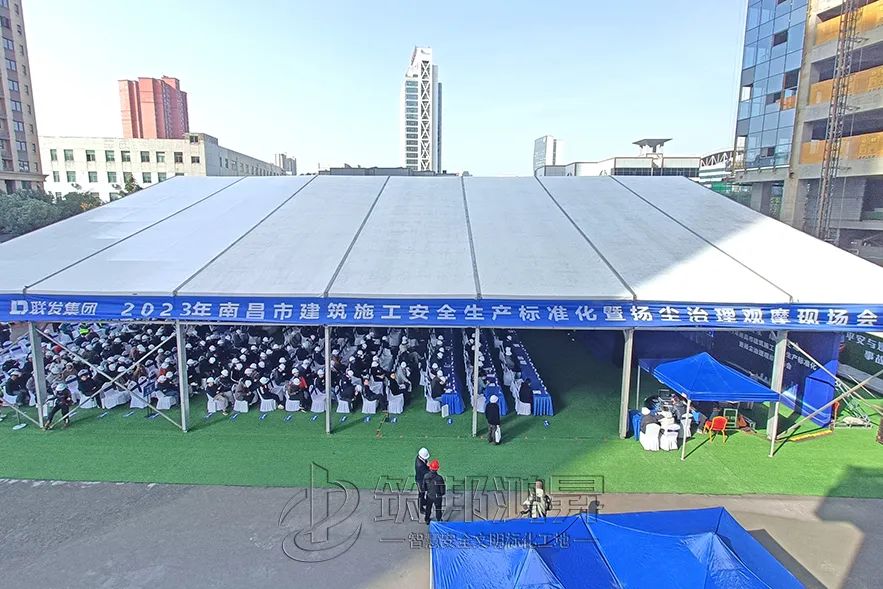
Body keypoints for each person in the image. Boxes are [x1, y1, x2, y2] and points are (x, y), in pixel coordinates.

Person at [423, 459, 445, 524]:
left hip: (429, 496)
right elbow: (442, 490)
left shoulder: (426, 476)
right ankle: (439, 519)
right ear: (437, 469)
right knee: (438, 509)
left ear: (430, 467)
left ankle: (427, 519)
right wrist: (441, 494)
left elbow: (424, 487)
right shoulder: (439, 478)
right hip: (437, 497)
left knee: (428, 508)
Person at [414, 447, 430, 515]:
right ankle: (421, 508)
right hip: (420, 481)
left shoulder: (419, 458)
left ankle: (423, 501)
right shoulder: (420, 465)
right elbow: (427, 473)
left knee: (422, 493)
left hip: (420, 479)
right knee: (421, 494)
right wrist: (429, 467)